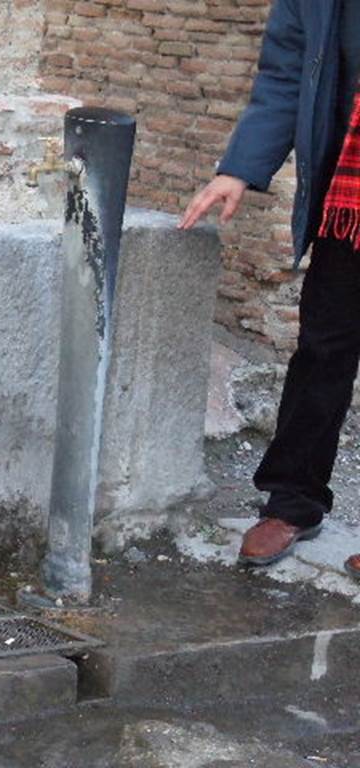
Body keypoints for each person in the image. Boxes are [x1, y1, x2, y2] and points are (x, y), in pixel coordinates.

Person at [179, 0, 360, 577]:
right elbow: (287, 73)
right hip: (350, 191)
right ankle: (293, 502)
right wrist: (240, 167)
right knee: (324, 346)